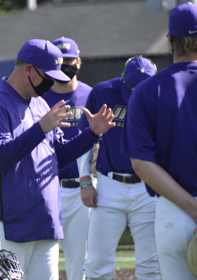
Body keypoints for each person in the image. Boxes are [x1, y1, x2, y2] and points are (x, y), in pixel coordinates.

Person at [121, 3, 197, 280]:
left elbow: (141, 164)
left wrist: (192, 208)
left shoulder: (145, 91)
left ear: (170, 41)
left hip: (173, 211)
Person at [0, 39, 115, 280]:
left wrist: (91, 134)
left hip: (46, 219)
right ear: (28, 69)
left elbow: (59, 155)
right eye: (48, 76)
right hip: (13, 224)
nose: (52, 82)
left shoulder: (39, 103)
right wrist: (40, 129)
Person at [78, 56, 160, 280]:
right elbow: (86, 137)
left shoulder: (163, 94)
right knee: (97, 264)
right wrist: (85, 180)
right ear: (122, 79)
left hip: (148, 187)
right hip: (109, 186)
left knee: (151, 265)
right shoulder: (102, 92)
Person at [41, 37, 91, 280]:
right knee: (41, 259)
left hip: (80, 188)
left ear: (78, 62)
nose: (64, 67)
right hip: (46, 187)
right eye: (58, 63)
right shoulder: (39, 100)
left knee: (79, 262)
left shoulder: (92, 95)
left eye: (68, 61)